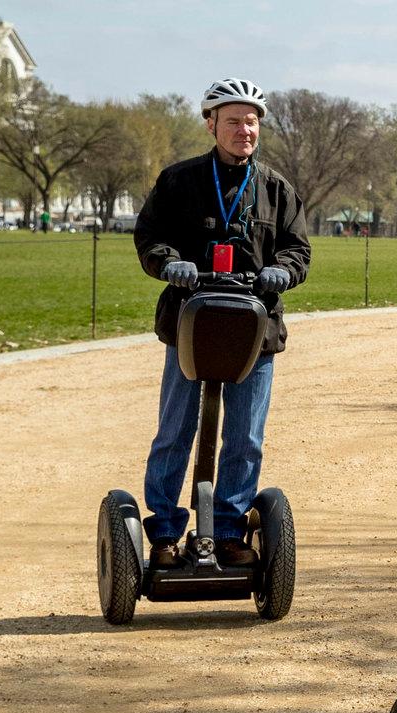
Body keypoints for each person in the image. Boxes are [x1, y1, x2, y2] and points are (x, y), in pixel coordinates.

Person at [133, 77, 311, 568]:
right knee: (175, 430)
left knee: (245, 437)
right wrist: (169, 261)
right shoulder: (178, 181)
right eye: (233, 121)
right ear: (211, 124)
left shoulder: (276, 189)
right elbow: (150, 236)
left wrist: (283, 270)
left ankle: (230, 531)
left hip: (255, 331)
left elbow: (298, 250)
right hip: (189, 325)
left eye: (251, 121)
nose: (244, 130)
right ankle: (165, 532)